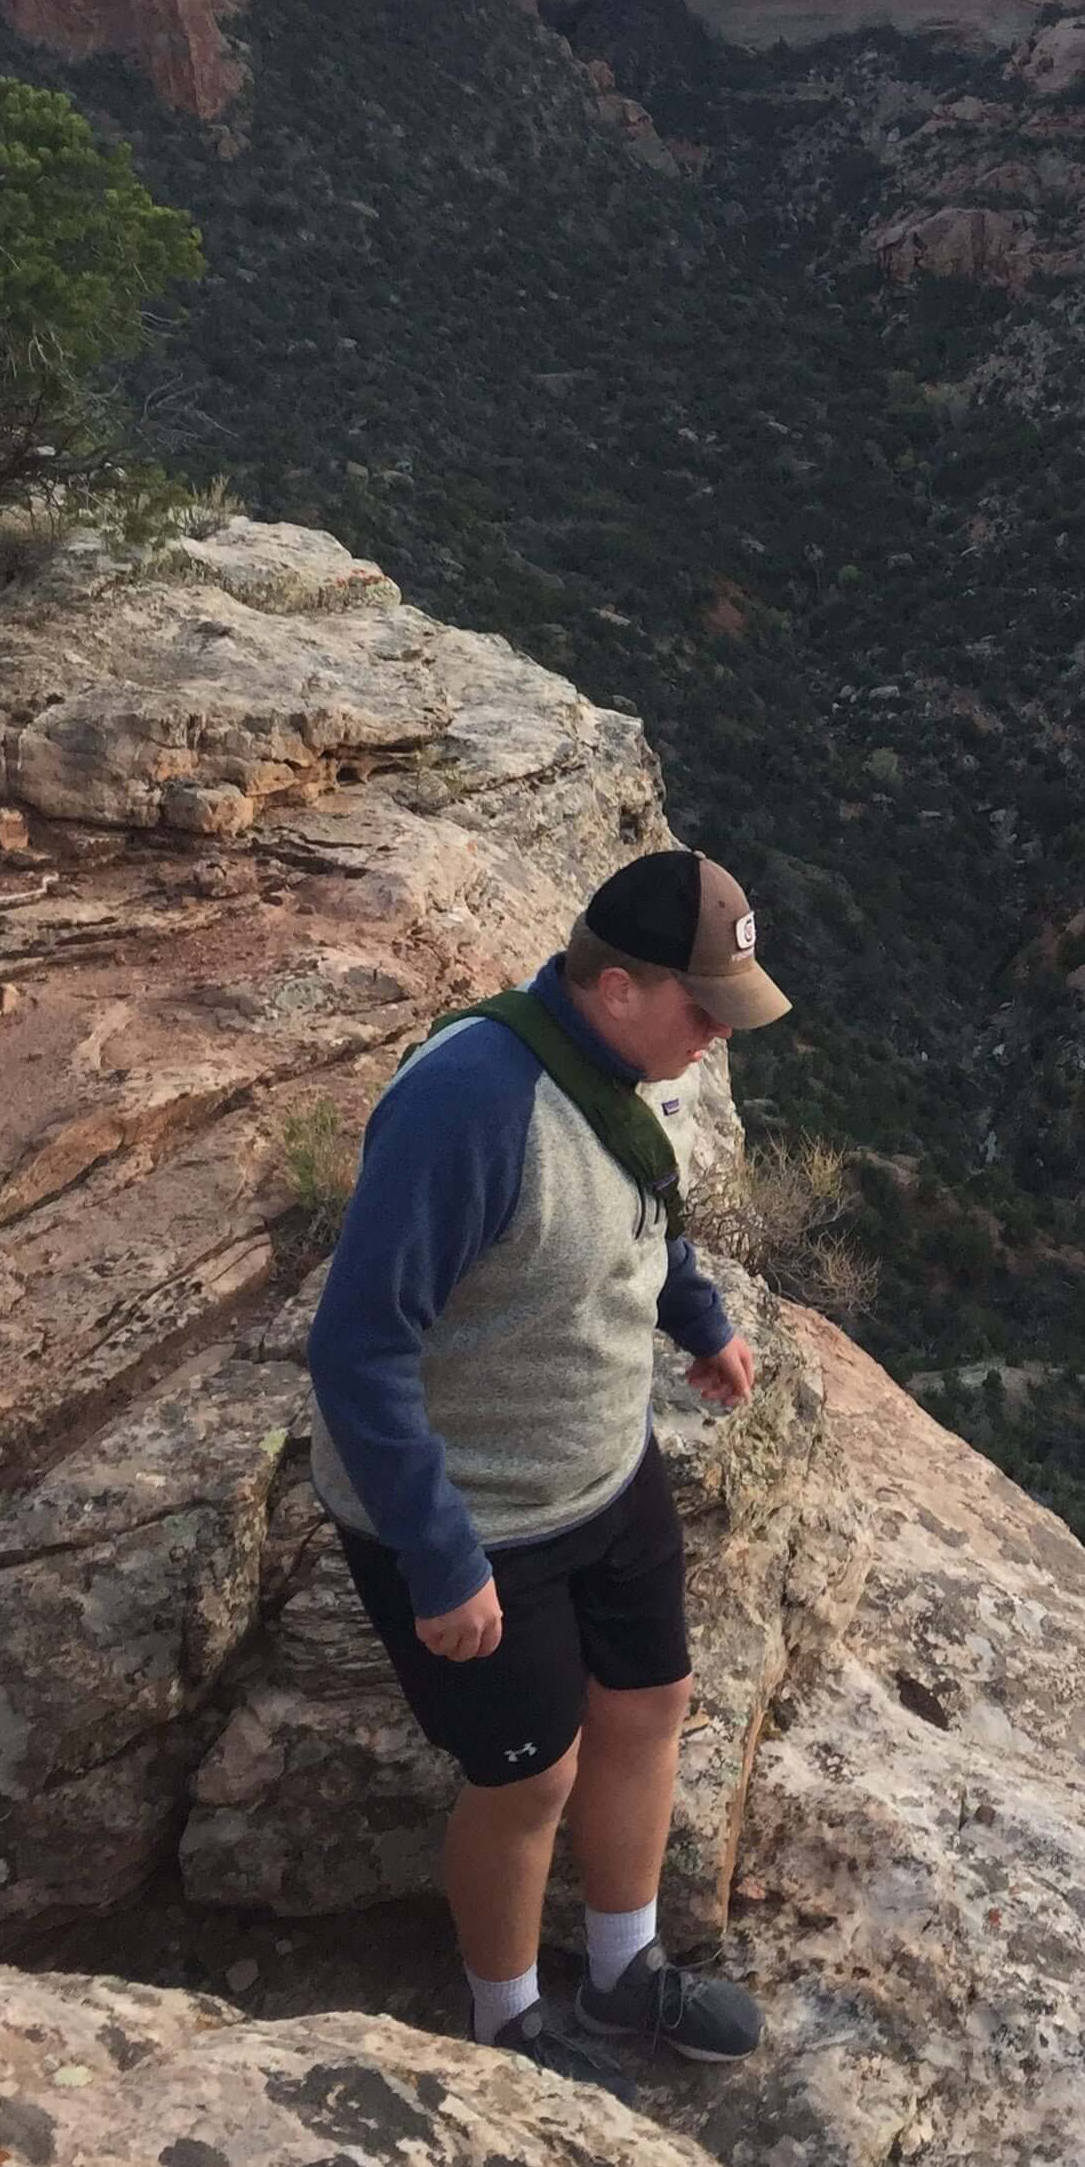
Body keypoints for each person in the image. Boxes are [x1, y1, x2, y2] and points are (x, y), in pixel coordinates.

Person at [306, 846, 790, 2093]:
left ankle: (625, 1970)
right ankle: (507, 2029)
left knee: (650, 1704)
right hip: (479, 1518)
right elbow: (359, 1346)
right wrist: (440, 1552)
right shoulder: (468, 1102)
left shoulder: (620, 1067)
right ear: (617, 985)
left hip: (602, 1475)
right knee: (532, 1779)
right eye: (703, 1011)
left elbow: (643, 1205)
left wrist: (701, 1317)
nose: (713, 1040)